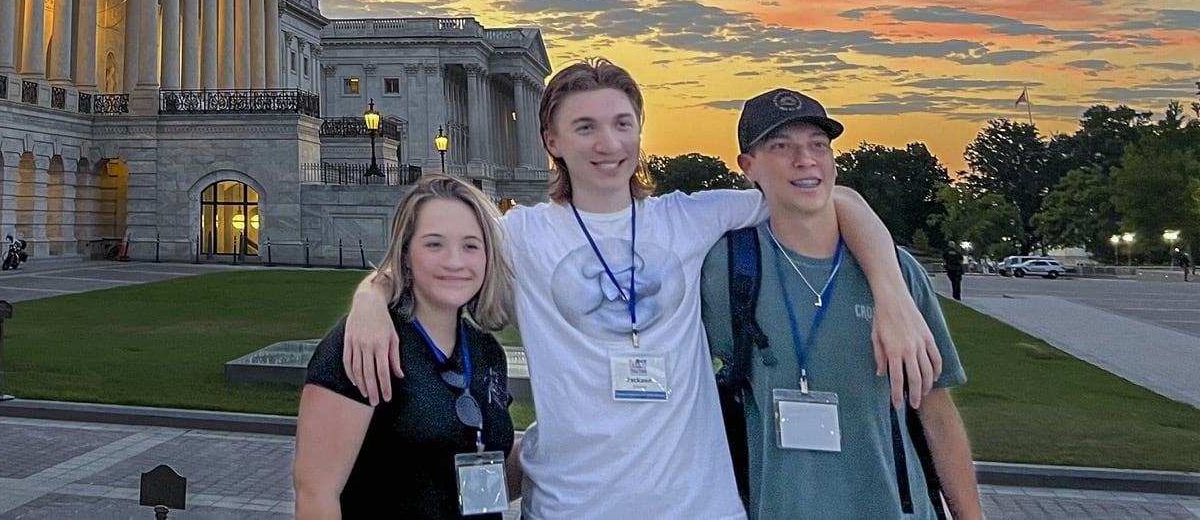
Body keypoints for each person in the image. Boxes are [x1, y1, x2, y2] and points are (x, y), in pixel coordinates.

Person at [342, 59, 941, 520]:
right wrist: (370, 300)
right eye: (586, 127)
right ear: (552, 141)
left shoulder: (689, 217)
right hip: (572, 504)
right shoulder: (520, 233)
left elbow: (834, 197)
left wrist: (892, 298)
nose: (608, 144)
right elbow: (424, 255)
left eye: (621, 124)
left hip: (696, 503)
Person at [704, 89, 980, 520]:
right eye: (781, 146)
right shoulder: (726, 269)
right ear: (748, 165)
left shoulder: (899, 275)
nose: (805, 159)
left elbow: (938, 415)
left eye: (818, 145)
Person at [296, 176, 519, 519]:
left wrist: (557, 439)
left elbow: (476, 477)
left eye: (471, 246)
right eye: (434, 244)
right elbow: (316, 493)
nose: (455, 261)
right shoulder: (365, 344)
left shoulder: (485, 350)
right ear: (405, 254)